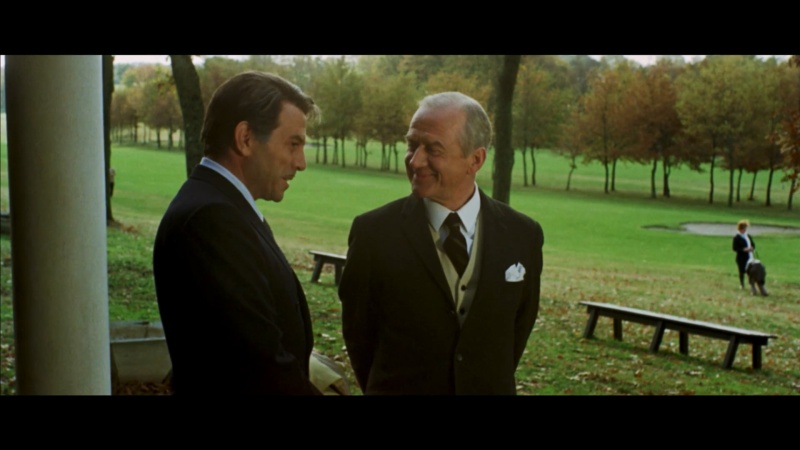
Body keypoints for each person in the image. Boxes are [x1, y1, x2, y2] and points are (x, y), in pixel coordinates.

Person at [338, 92, 544, 395]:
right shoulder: (373, 234)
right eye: (412, 145)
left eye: (433, 149)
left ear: (475, 160)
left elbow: (517, 331)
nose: (415, 160)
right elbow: (359, 337)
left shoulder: (523, 235)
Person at [153, 71, 322, 394]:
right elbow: (260, 367)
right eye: (293, 144)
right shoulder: (212, 220)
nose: (301, 163)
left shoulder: (222, 208)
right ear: (245, 138)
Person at [732, 219, 755, 290]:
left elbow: (753, 244)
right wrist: (743, 250)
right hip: (741, 258)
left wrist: (752, 248)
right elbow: (734, 248)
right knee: (741, 271)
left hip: (749, 256)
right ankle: (742, 284)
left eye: (745, 228)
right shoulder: (737, 237)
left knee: (751, 271)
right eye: (743, 228)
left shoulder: (748, 236)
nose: (744, 230)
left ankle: (751, 284)